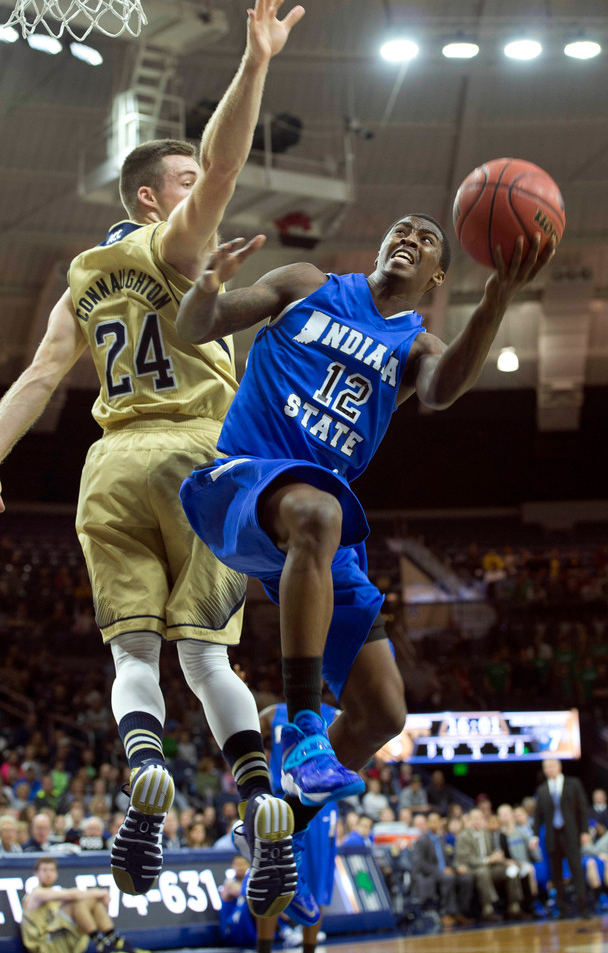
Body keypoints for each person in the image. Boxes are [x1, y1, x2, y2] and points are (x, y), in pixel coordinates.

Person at [0, 0, 304, 918]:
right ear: (147, 198)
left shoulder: (79, 280)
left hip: (110, 470)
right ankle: (261, 804)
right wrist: (254, 64)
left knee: (134, 658)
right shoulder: (172, 246)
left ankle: (144, 773)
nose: (198, 197)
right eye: (176, 188)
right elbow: (218, 166)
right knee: (211, 663)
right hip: (200, 466)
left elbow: (38, 381)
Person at [176, 218, 555, 830]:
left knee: (382, 713)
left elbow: (442, 392)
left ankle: (276, 826)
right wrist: (204, 290)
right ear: (380, 246)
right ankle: (303, 725)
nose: (408, 235)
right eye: (400, 229)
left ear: (436, 277)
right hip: (240, 481)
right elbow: (198, 325)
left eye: (427, 238)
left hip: (318, 533)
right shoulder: (307, 284)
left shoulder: (418, 347)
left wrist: (497, 299)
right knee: (321, 511)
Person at [256, 702, 340, 952]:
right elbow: (241, 735)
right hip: (279, 800)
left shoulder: (335, 716)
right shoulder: (272, 713)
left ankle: (309, 948)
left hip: (320, 807)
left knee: (314, 880)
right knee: (269, 880)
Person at [21, 857, 142, 953]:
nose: (48, 874)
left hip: (63, 941)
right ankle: (101, 944)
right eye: (44, 870)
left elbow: (75, 894)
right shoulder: (36, 894)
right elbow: (74, 895)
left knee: (90, 900)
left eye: (52, 870)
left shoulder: (56, 893)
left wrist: (96, 895)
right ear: (36, 873)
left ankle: (113, 940)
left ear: (57, 873)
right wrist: (101, 892)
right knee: (77, 902)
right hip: (45, 946)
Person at [530, 758, 592, 919]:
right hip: (552, 835)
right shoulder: (542, 790)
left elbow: (582, 809)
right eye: (546, 767)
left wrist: (584, 831)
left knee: (576, 869)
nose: (549, 769)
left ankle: (583, 907)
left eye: (551, 766)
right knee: (555, 872)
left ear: (559, 767)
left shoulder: (573, 783)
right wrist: (535, 835)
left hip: (571, 833)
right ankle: (562, 909)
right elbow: (538, 816)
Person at [455, 807, 523, 922]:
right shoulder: (463, 836)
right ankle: (488, 908)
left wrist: (501, 859)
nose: (477, 821)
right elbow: (467, 859)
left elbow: (491, 853)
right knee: (483, 872)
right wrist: (488, 860)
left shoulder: (487, 834)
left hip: (489, 866)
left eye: (480, 818)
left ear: (483, 820)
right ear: (470, 820)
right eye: (474, 818)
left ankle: (514, 905)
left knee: (510, 869)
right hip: (472, 868)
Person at [410, 811, 474, 927]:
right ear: (428, 824)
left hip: (447, 870)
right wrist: (440, 870)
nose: (436, 823)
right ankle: (446, 913)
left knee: (466, 878)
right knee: (448, 878)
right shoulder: (422, 840)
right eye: (433, 821)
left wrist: (457, 867)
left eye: (438, 821)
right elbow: (421, 864)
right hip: (431, 873)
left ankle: (461, 911)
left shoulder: (442, 838)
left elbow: (449, 858)